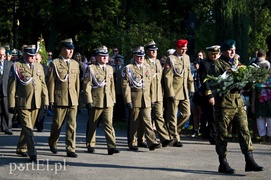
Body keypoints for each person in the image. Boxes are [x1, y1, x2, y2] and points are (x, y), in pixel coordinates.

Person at [214, 39, 263, 174]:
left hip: (237, 103)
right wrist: (234, 72)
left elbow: (243, 82)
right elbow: (220, 81)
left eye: (234, 50)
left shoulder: (237, 64)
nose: (232, 52)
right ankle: (222, 162)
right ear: (223, 51)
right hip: (224, 105)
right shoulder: (217, 64)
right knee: (223, 134)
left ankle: (249, 160)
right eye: (230, 50)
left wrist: (248, 81)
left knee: (244, 130)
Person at [8, 45, 49, 162]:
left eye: (34, 55)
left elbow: (43, 84)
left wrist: (45, 100)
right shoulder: (17, 66)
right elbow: (12, 87)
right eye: (30, 55)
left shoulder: (38, 66)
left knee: (27, 128)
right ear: (25, 54)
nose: (32, 58)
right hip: (23, 102)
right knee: (28, 128)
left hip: (35, 102)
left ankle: (21, 147)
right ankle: (32, 152)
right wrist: (11, 104)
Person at [122, 46, 161, 151]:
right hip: (135, 98)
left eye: (142, 56)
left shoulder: (147, 67)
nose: (141, 58)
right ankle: (132, 142)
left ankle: (151, 142)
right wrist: (128, 100)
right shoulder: (129, 68)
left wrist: (152, 99)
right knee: (134, 122)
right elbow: (125, 86)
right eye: (138, 56)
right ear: (134, 56)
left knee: (147, 120)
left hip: (146, 98)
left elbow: (151, 84)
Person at [83, 46, 120, 155]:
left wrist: (113, 99)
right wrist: (88, 100)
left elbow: (112, 85)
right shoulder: (91, 68)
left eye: (106, 56)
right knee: (93, 124)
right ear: (97, 57)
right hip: (96, 100)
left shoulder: (109, 68)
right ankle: (90, 144)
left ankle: (111, 146)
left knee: (108, 123)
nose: (105, 58)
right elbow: (87, 86)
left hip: (108, 101)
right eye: (102, 56)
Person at [47, 38, 80, 158]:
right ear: (62, 49)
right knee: (57, 124)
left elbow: (77, 84)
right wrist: (50, 100)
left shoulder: (75, 64)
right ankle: (52, 142)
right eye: (68, 49)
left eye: (72, 49)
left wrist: (78, 99)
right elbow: (51, 83)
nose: (70, 52)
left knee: (72, 125)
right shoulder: (55, 63)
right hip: (60, 98)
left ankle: (71, 148)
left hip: (72, 99)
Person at [163, 39, 194, 147]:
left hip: (184, 91)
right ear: (177, 48)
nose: (184, 51)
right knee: (172, 115)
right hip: (174, 92)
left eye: (185, 49)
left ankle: (173, 131)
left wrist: (192, 88)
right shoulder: (171, 59)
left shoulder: (187, 58)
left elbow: (189, 74)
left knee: (187, 114)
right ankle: (175, 138)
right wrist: (170, 93)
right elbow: (167, 77)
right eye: (182, 49)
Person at [144, 40, 172, 147]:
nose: (154, 52)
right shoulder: (144, 63)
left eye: (155, 50)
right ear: (147, 51)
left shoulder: (158, 62)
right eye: (152, 50)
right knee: (146, 118)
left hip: (158, 94)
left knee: (159, 116)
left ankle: (164, 138)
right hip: (147, 94)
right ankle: (149, 140)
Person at [198, 45, 220, 144]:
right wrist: (209, 95)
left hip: (219, 92)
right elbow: (204, 80)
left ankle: (213, 134)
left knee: (216, 115)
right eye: (212, 54)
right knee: (211, 115)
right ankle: (212, 136)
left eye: (216, 54)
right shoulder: (205, 64)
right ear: (208, 54)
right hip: (209, 93)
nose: (214, 56)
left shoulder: (219, 63)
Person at [251, 60, 271, 144]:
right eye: (263, 67)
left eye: (266, 67)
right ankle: (263, 139)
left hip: (269, 105)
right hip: (259, 105)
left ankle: (270, 139)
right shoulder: (256, 79)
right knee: (260, 123)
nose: (265, 69)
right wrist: (252, 106)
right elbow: (254, 93)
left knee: (270, 123)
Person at [0, 47, 13, 134]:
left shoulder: (9, 64)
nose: (1, 57)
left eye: (3, 55)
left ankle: (7, 127)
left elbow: (12, 79)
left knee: (6, 110)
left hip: (5, 90)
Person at [35, 52, 49, 132]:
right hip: (34, 92)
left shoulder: (45, 68)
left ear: (40, 59)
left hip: (42, 92)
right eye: (35, 58)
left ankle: (40, 125)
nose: (36, 60)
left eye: (37, 59)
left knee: (42, 110)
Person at [191, 58, 203, 137]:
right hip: (194, 94)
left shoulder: (201, 73)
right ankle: (196, 130)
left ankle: (203, 128)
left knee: (200, 113)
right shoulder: (193, 73)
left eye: (197, 64)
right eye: (194, 64)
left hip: (200, 94)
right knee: (194, 113)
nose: (195, 65)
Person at [113, 54, 126, 122]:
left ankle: (122, 117)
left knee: (121, 104)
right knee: (116, 104)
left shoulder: (124, 68)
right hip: (115, 89)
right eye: (117, 61)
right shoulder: (113, 68)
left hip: (121, 89)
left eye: (119, 61)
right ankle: (115, 117)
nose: (118, 62)